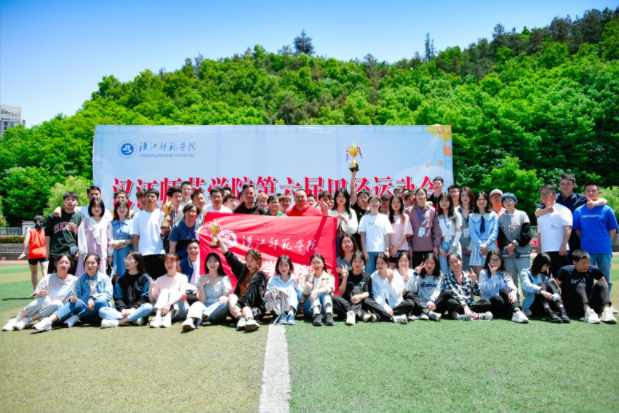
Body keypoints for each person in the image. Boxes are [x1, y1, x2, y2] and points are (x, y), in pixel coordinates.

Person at [34, 253, 113, 331]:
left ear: (98, 265)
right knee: (74, 302)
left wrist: (92, 298)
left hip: (98, 314)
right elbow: (75, 295)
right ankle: (48, 321)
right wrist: (72, 299)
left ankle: (77, 317)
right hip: (85, 314)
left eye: (93, 263)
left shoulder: (105, 278)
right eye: (87, 263)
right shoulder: (80, 279)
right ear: (84, 264)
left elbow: (108, 294)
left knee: (100, 301)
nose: (89, 265)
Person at [2, 253, 78, 331]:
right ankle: (16, 320)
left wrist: (73, 299)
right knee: (45, 299)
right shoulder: (47, 278)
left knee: (57, 303)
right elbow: (36, 298)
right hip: (44, 311)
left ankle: (27, 320)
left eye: (67, 263)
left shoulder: (75, 280)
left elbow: (77, 298)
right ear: (56, 264)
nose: (64, 265)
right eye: (61, 262)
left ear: (70, 265)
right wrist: (40, 294)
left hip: (59, 314)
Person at [535, 173, 607, 251]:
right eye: (563, 184)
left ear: (574, 185)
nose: (565, 187)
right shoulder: (554, 198)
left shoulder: (581, 198)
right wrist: (546, 210)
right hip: (560, 237)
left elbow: (604, 200)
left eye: (568, 184)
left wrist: (594, 203)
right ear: (559, 185)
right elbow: (538, 211)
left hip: (577, 235)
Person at [573, 181, 618, 293]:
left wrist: (607, 241)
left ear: (598, 192)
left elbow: (612, 228)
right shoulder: (579, 210)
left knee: (605, 277)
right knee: (587, 277)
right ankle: (589, 299)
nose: (591, 193)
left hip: (604, 249)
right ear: (584, 193)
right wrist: (585, 240)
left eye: (593, 190)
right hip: (587, 250)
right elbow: (577, 230)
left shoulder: (607, 209)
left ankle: (605, 300)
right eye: (588, 191)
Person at [218, 232, 268, 332]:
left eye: (252, 260)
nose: (248, 263)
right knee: (232, 296)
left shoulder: (261, 275)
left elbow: (250, 292)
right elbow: (230, 258)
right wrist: (219, 241)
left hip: (253, 308)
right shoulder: (243, 271)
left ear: (258, 261)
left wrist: (239, 304)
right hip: (238, 309)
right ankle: (240, 319)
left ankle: (250, 320)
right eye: (247, 260)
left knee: (245, 306)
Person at [556, 249, 616, 324]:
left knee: (601, 284)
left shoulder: (593, 270)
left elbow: (604, 285)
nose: (586, 266)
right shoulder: (565, 270)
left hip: (592, 304)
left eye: (588, 262)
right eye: (583, 263)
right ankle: (587, 311)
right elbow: (556, 287)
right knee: (580, 285)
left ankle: (606, 311)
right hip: (573, 305)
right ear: (574, 262)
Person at [100, 251, 154, 328]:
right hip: (123, 311)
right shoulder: (120, 279)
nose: (126, 261)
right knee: (102, 311)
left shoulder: (145, 278)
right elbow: (117, 298)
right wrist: (123, 309)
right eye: (126, 259)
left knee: (148, 307)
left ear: (137, 262)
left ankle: (119, 321)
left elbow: (144, 298)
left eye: (130, 259)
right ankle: (133, 318)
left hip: (138, 309)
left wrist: (133, 309)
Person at [433, 253, 493, 321]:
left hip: (470, 304)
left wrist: (474, 282)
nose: (455, 264)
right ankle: (474, 314)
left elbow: (477, 293)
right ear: (449, 265)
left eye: (456, 261)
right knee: (450, 302)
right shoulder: (447, 277)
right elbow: (454, 293)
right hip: (458, 304)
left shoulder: (468, 275)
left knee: (487, 302)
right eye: (451, 263)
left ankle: (461, 314)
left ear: (461, 261)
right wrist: (465, 306)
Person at [182, 252, 232, 331]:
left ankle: (203, 315)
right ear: (206, 264)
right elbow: (202, 300)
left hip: (217, 311)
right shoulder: (201, 278)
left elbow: (225, 296)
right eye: (209, 261)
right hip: (205, 306)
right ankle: (189, 321)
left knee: (225, 303)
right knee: (197, 304)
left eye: (215, 261)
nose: (212, 263)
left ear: (219, 263)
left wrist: (225, 297)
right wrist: (202, 284)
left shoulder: (224, 278)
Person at [497, 192, 531, 300]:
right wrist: (508, 247)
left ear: (515, 202)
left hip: (522, 252)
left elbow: (527, 233)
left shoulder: (522, 214)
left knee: (525, 278)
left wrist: (514, 244)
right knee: (511, 279)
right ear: (503, 204)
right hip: (507, 253)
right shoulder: (500, 218)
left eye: (510, 200)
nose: (508, 202)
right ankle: (515, 302)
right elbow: (500, 237)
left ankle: (529, 302)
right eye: (505, 201)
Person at [478, 251, 528, 323]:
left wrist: (513, 292)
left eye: (498, 260)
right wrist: (493, 276)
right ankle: (513, 312)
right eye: (493, 260)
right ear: (488, 261)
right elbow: (489, 291)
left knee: (505, 289)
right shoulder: (483, 272)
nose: (495, 262)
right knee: (497, 299)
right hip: (492, 302)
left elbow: (511, 284)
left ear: (501, 261)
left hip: (504, 303)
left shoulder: (505, 273)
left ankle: (516, 311)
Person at [520, 253, 570, 323]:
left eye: (548, 266)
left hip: (547, 301)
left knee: (550, 282)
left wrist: (556, 286)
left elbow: (552, 287)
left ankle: (562, 311)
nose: (547, 268)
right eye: (546, 266)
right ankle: (548, 312)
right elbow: (526, 285)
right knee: (541, 284)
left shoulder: (546, 273)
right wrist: (542, 291)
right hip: (533, 303)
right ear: (539, 263)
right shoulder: (525, 272)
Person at [364, 253, 414, 323]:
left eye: (382, 263)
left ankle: (382, 315)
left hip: (395, 304)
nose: (380, 265)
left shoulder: (395, 274)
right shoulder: (373, 277)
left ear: (387, 263)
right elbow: (375, 295)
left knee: (410, 303)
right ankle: (393, 317)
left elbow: (397, 294)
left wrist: (390, 282)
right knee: (367, 301)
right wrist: (385, 306)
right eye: (377, 263)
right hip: (381, 304)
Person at [536, 184, 572, 278]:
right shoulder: (541, 213)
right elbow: (540, 233)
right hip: (545, 251)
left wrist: (563, 245)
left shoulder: (563, 210)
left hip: (559, 250)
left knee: (561, 278)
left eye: (547, 193)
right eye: (542, 194)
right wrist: (539, 250)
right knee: (547, 279)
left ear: (554, 195)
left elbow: (568, 228)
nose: (544, 196)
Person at [130, 188, 166, 279]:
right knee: (145, 281)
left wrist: (167, 224)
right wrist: (136, 253)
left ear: (157, 199)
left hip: (158, 252)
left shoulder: (161, 213)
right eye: (148, 196)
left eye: (153, 196)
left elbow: (164, 231)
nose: (150, 198)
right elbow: (135, 235)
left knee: (159, 280)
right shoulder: (138, 215)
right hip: (143, 253)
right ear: (144, 198)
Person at [45, 191, 82, 275]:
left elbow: (82, 237)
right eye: (68, 199)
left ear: (77, 202)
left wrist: (79, 251)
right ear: (63, 201)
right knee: (53, 276)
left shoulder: (79, 218)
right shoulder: (53, 216)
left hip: (71, 252)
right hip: (56, 251)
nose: (70, 201)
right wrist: (47, 251)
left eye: (73, 199)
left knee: (71, 278)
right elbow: (47, 234)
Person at [149, 253, 189, 328]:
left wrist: (169, 304)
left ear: (177, 262)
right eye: (167, 262)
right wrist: (150, 288)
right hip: (163, 311)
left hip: (180, 310)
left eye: (172, 262)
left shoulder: (183, 277)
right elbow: (152, 300)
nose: (169, 264)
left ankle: (168, 317)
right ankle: (157, 317)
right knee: (164, 290)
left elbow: (182, 293)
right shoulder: (159, 279)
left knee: (173, 291)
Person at [332, 251, 372, 325]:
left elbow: (367, 293)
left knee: (356, 288)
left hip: (360, 303)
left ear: (364, 263)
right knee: (333, 298)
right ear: (351, 263)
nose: (357, 264)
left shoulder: (367, 276)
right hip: (346, 303)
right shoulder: (346, 274)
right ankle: (360, 313)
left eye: (360, 261)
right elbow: (341, 293)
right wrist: (345, 278)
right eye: (355, 261)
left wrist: (359, 296)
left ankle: (352, 314)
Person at [76, 198, 112, 278]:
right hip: (87, 254)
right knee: (84, 277)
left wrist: (110, 255)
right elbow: (81, 239)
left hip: (101, 254)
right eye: (94, 206)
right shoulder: (85, 222)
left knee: (100, 277)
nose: (96, 209)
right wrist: (84, 253)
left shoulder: (107, 223)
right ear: (90, 208)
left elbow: (110, 239)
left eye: (99, 206)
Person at [358, 195, 394, 275]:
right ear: (369, 203)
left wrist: (386, 250)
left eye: (376, 201)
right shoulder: (364, 218)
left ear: (380, 203)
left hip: (381, 250)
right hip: (369, 251)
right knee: (370, 274)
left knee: (382, 273)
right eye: (372, 201)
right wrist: (364, 251)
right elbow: (362, 236)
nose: (374, 203)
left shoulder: (384, 218)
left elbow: (387, 235)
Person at [403, 252, 442, 321]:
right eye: (427, 262)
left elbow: (438, 290)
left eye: (432, 263)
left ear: (436, 264)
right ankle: (427, 312)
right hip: (421, 303)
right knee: (408, 294)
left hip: (434, 304)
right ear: (423, 263)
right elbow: (412, 289)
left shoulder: (440, 276)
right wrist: (415, 274)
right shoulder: (419, 275)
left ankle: (425, 312)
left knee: (446, 293)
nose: (429, 265)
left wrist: (431, 301)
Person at [408, 188, 441, 268]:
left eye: (422, 194)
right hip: (415, 247)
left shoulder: (432, 210)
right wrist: (409, 246)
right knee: (417, 269)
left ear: (426, 196)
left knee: (430, 269)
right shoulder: (410, 210)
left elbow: (436, 229)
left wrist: (436, 246)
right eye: (418, 194)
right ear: (415, 196)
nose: (420, 196)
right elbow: (407, 230)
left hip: (429, 246)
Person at [264, 255, 301, 325]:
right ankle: (282, 314)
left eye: (286, 265)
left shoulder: (294, 279)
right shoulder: (273, 280)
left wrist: (296, 286)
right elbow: (267, 298)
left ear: (290, 266)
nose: (283, 268)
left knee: (291, 289)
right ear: (277, 267)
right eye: (281, 265)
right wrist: (272, 293)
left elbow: (301, 298)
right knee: (279, 291)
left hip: (293, 308)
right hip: (277, 309)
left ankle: (290, 315)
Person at [468, 191, 499, 275]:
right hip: (478, 246)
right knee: (480, 274)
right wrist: (481, 246)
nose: (481, 201)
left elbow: (495, 231)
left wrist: (487, 244)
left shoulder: (493, 214)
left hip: (490, 244)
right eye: (479, 199)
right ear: (475, 201)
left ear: (487, 201)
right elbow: (472, 232)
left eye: (484, 199)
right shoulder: (471, 216)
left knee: (493, 273)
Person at [301, 253, 336, 326]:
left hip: (323, 309)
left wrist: (317, 291)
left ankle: (329, 315)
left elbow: (332, 288)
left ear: (323, 264)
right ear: (310, 265)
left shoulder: (329, 277)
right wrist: (310, 278)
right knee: (315, 292)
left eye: (318, 263)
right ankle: (316, 316)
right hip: (309, 309)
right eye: (314, 263)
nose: (316, 265)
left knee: (325, 293)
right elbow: (304, 293)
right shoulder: (306, 277)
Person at [18, 214, 48, 289]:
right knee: (45, 273)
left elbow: (26, 240)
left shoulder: (29, 229)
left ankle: (36, 291)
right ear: (42, 222)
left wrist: (23, 252)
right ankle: (46, 290)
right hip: (43, 252)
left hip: (32, 253)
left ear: (34, 222)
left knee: (34, 273)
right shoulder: (45, 229)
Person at [437, 193, 462, 274]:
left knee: (455, 269)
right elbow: (435, 234)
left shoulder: (456, 214)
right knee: (444, 271)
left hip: (454, 243)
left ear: (450, 202)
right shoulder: (437, 216)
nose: (444, 203)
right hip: (442, 245)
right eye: (441, 200)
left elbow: (458, 232)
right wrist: (440, 249)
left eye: (446, 200)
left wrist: (453, 247)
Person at [109, 200, 134, 284]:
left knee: (129, 274)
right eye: (119, 207)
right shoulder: (111, 223)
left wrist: (122, 242)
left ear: (128, 209)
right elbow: (107, 238)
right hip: (115, 253)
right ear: (116, 209)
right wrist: (113, 244)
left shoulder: (132, 222)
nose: (122, 209)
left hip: (127, 251)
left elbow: (135, 239)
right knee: (116, 275)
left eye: (124, 207)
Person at [387, 194, 413, 269]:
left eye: (398, 202)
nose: (396, 204)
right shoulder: (387, 217)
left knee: (403, 272)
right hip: (390, 250)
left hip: (402, 249)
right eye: (393, 202)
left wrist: (396, 248)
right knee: (391, 271)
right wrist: (391, 247)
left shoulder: (405, 216)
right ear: (390, 204)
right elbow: (386, 234)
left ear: (401, 204)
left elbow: (405, 234)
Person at [458, 187, 474, 271]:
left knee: (474, 271)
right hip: (460, 246)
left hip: (474, 246)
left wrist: (471, 247)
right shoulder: (455, 211)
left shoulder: (475, 211)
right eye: (463, 195)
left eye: (467, 195)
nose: (465, 197)